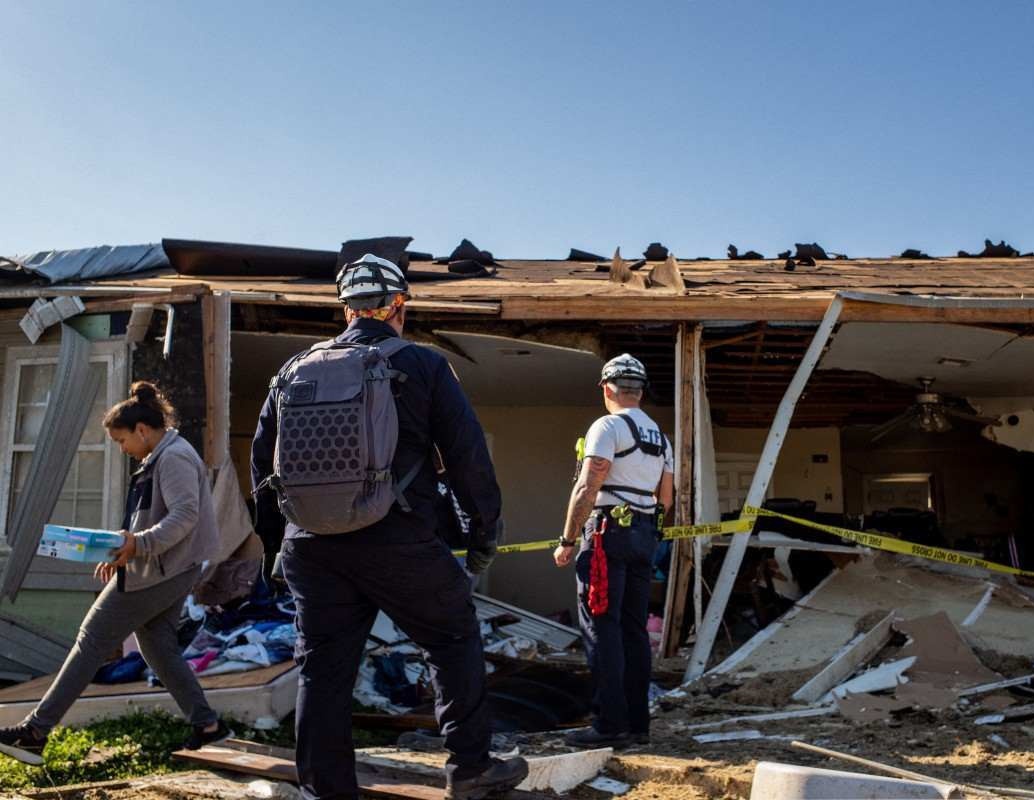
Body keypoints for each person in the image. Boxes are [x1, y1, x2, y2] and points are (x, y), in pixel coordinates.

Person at [251, 253, 527, 800]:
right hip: (398, 538)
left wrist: (274, 551)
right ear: (398, 305)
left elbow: (263, 470)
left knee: (323, 670)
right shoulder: (423, 365)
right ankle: (470, 768)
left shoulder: (292, 370)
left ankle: (324, 791)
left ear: (345, 310)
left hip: (312, 546)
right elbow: (470, 459)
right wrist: (482, 536)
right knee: (451, 639)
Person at [0, 382, 228, 763]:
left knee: (91, 639)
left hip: (160, 570)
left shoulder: (173, 458)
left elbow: (184, 516)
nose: (121, 449)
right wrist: (121, 549)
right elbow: (152, 518)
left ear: (142, 430)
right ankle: (208, 726)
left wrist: (138, 546)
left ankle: (35, 732)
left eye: (122, 440)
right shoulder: (163, 453)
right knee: (158, 648)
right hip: (162, 566)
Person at [553, 354, 674, 747]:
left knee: (601, 627)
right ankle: (637, 725)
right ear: (639, 391)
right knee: (633, 631)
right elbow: (667, 498)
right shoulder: (660, 436)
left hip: (606, 533)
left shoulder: (607, 426)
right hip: (642, 534)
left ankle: (608, 725)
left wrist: (568, 539)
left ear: (607, 389)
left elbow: (588, 486)